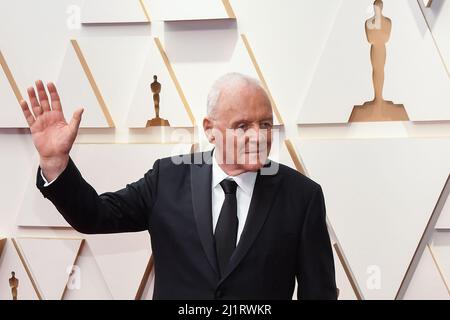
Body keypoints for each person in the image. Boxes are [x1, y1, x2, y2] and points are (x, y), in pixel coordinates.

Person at [19, 72, 337, 299]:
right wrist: (55, 162)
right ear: (210, 130)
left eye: (265, 124)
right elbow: (95, 216)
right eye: (242, 126)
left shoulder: (302, 196)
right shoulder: (167, 179)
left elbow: (319, 292)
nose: (258, 136)